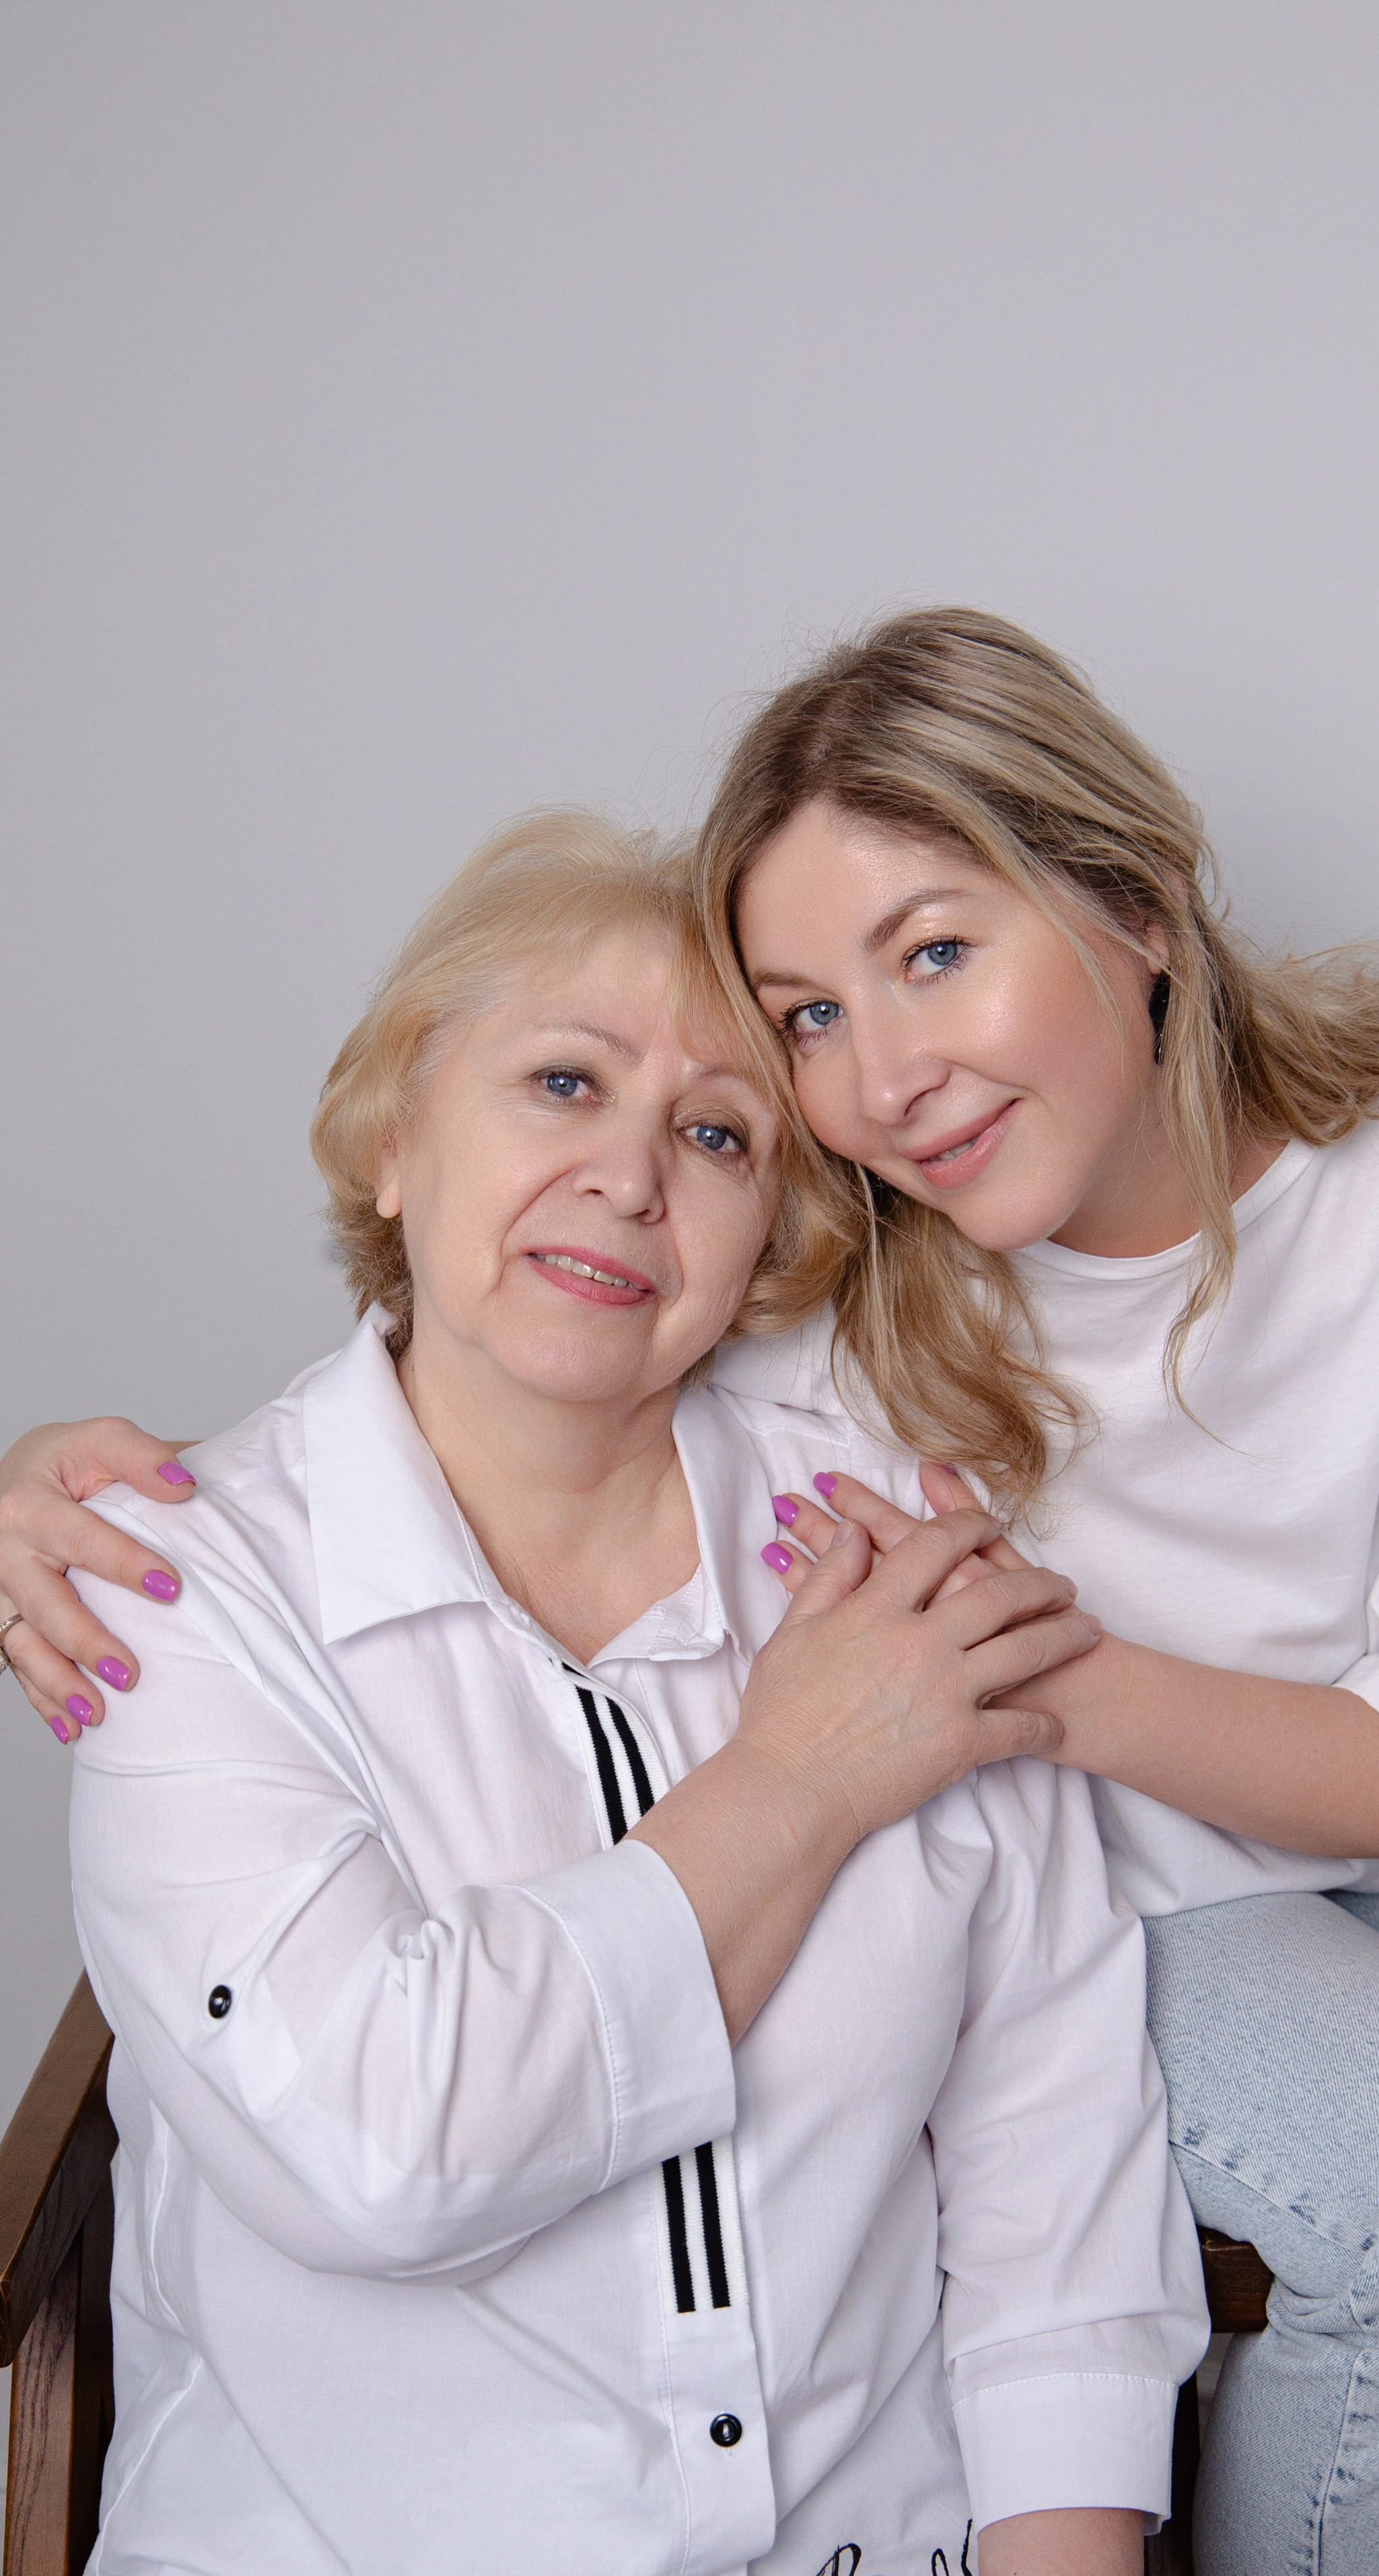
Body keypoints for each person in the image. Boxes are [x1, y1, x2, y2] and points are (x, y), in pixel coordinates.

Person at [0, 609, 1379, 2571]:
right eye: (806, 1015)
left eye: (936, 955)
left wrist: (1026, 1678)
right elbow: (491, 1363)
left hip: (1337, 1807)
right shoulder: (832, 1267)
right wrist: (101, 1494)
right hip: (1082, 1864)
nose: (882, 1080)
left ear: (1140, 906)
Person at [9, 812, 1207, 2576]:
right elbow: (382, 2148)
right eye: (564, 1083)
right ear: (393, 1138)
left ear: (771, 1234)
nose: (634, 1179)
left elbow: (1058, 2181)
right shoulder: (169, 1594)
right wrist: (799, 1781)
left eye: (717, 1134)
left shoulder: (888, 1547)